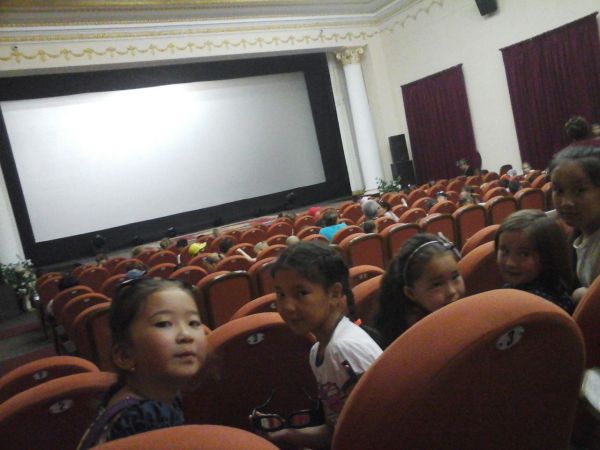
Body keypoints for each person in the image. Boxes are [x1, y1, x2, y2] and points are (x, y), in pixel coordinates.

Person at [266, 242, 382, 449]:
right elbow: (336, 430)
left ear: (334, 294)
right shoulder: (317, 351)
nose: (287, 306)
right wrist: (288, 435)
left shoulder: (344, 349)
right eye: (281, 294)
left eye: (301, 293)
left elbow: (374, 430)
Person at [77, 278, 208, 449]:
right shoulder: (145, 419)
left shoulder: (149, 396)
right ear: (125, 355)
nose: (186, 335)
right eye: (163, 324)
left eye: (194, 323)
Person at [374, 233, 465, 349]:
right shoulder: (414, 344)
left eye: (455, 277)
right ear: (411, 293)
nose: (451, 291)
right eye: (437, 284)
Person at [495, 210, 575, 314]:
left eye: (524, 254)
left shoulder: (535, 306)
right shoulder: (518, 289)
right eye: (505, 251)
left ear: (548, 256)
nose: (510, 263)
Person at [549, 145, 600, 301]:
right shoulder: (578, 235)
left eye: (579, 190)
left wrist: (585, 297)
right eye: (559, 191)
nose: (566, 202)